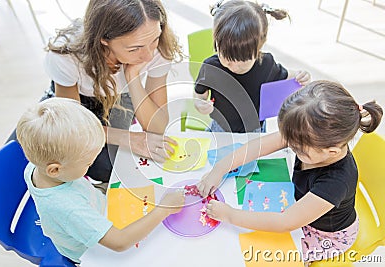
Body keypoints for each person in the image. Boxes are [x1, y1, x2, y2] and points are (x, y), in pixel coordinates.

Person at [197, 81, 383, 265]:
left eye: (298, 149)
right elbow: (259, 145)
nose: (290, 146)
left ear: (331, 151)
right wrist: (221, 168)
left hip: (326, 235)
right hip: (302, 209)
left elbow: (285, 222)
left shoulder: (336, 182)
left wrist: (230, 215)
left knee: (269, 255)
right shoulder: (309, 136)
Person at [16, 97, 184, 265]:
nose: (91, 165)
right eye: (88, 163)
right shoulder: (70, 209)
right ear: (55, 170)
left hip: (95, 212)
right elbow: (120, 242)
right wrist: (163, 209)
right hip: (93, 251)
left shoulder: (37, 167)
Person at [43, 0, 183, 191]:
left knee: (118, 165)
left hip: (118, 96)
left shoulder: (156, 47)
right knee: (86, 162)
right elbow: (72, 126)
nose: (149, 56)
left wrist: (133, 79)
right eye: (135, 48)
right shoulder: (67, 55)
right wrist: (131, 139)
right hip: (78, 102)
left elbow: (157, 127)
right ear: (104, 40)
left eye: (155, 39)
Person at [194, 0, 311, 133]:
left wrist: (302, 75)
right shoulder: (211, 67)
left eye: (242, 59)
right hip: (221, 127)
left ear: (258, 49)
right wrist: (200, 104)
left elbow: (288, 75)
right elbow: (200, 94)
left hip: (254, 129)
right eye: (226, 57)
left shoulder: (266, 64)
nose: (234, 65)